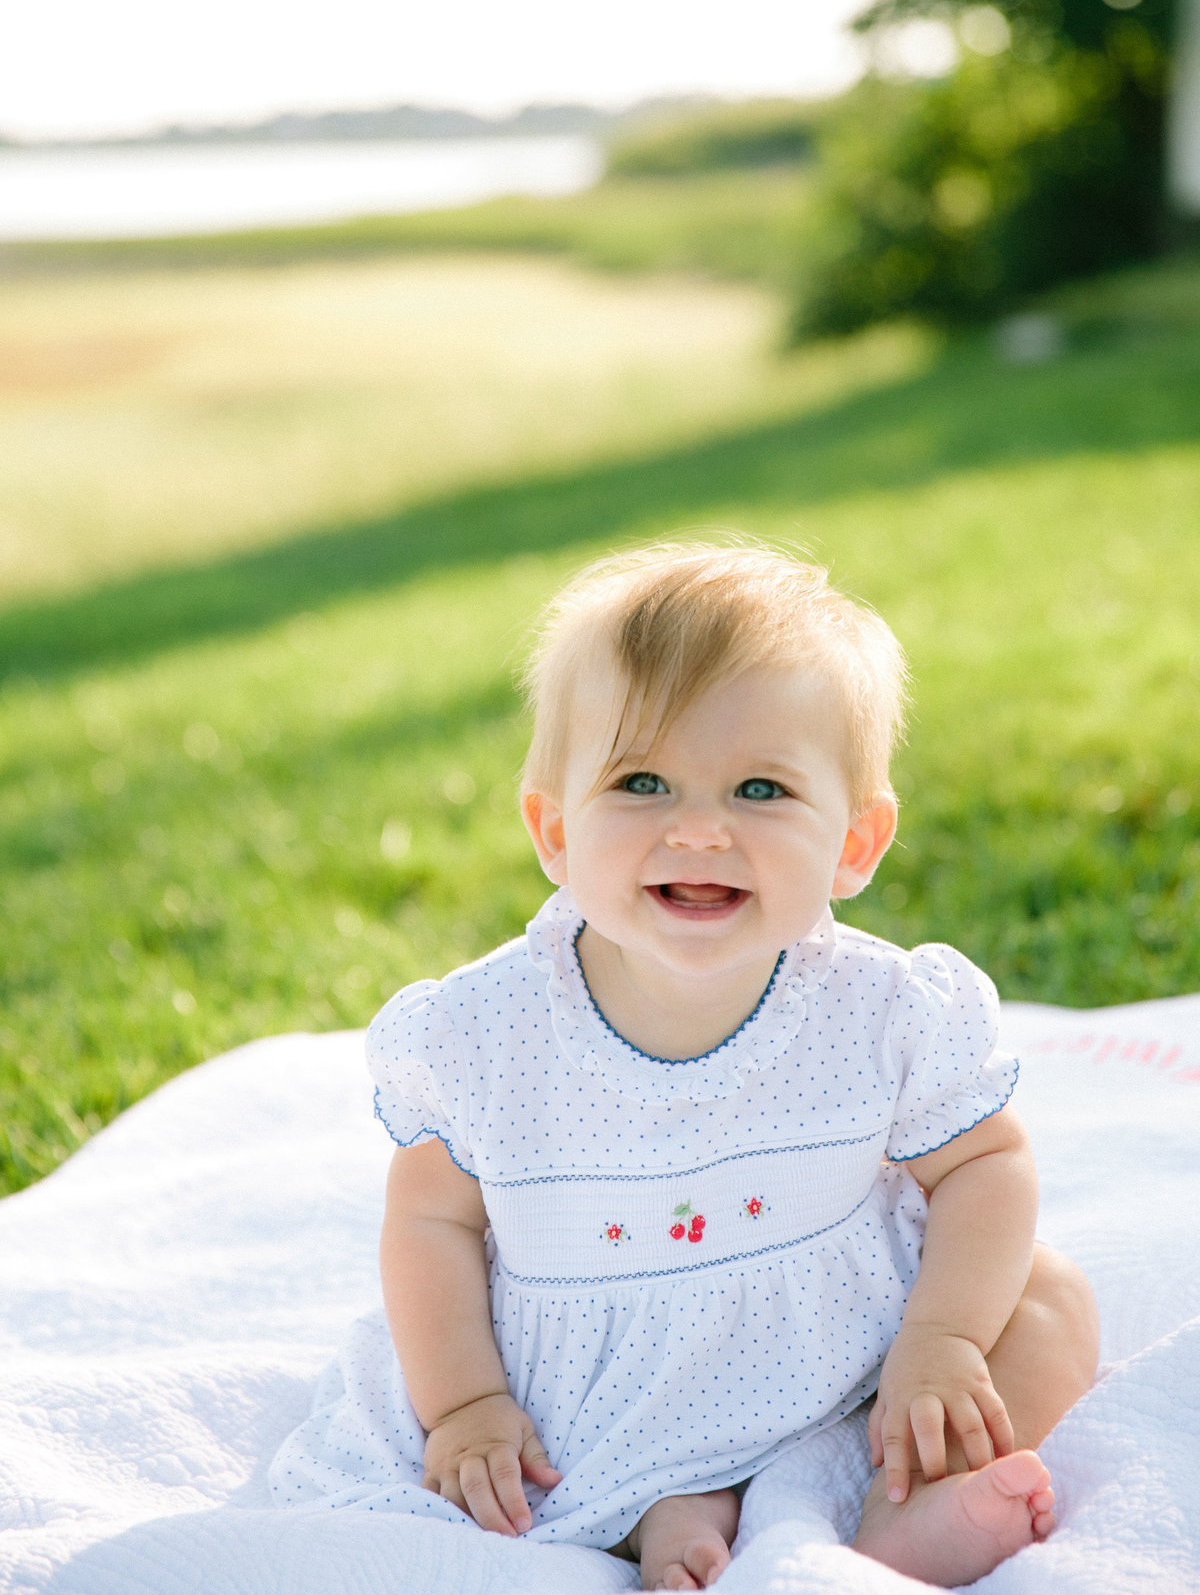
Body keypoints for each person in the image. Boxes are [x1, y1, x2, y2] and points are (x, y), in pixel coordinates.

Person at [270, 542, 1099, 1591]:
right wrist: (467, 1401)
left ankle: (897, 1511)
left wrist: (938, 1337)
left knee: (1049, 1300)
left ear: (855, 839)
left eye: (760, 787)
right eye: (643, 780)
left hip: (841, 1343)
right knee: (517, 1485)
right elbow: (433, 1218)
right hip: (602, 1389)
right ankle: (670, 1508)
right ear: (555, 828)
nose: (699, 826)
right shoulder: (490, 1034)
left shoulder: (883, 1011)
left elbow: (985, 1164)